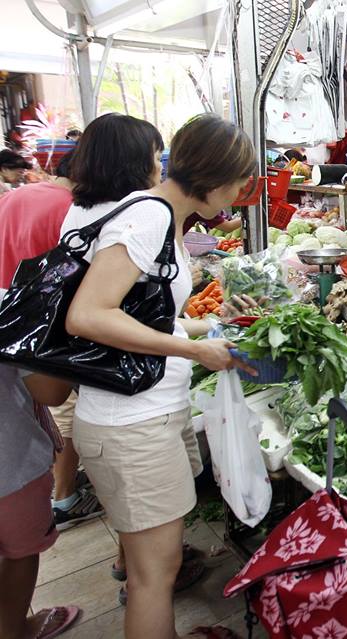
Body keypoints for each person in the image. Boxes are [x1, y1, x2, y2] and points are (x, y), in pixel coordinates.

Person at [63, 113, 256, 639]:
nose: (241, 195)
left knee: (158, 567)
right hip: (129, 425)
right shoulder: (148, 217)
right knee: (154, 576)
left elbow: (139, 312)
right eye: (240, 183)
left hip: (145, 414)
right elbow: (89, 315)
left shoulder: (160, 215)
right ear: (216, 179)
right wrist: (194, 352)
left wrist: (205, 325)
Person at [0, 151, 106, 530]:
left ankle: (61, 489)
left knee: (33, 410)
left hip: (9, 318)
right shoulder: (71, 211)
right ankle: (64, 497)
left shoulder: (15, 195)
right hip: (45, 328)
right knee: (63, 408)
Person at [0, 366, 82, 639]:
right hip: (11, 468)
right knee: (20, 552)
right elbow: (51, 391)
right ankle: (13, 628)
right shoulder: (10, 321)